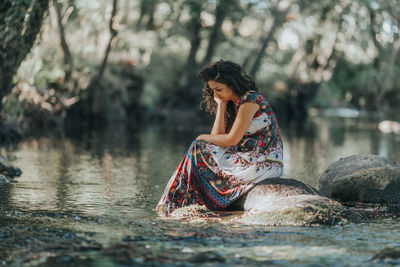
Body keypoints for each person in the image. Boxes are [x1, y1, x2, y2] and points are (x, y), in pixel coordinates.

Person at [156, 60, 283, 216]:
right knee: (198, 146)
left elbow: (231, 140)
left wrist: (201, 137)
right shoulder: (234, 103)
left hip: (263, 162)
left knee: (197, 146)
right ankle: (180, 200)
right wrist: (221, 105)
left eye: (218, 89)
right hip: (249, 157)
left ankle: (175, 201)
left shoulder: (251, 100)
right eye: (212, 90)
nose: (215, 94)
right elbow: (217, 138)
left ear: (232, 84)